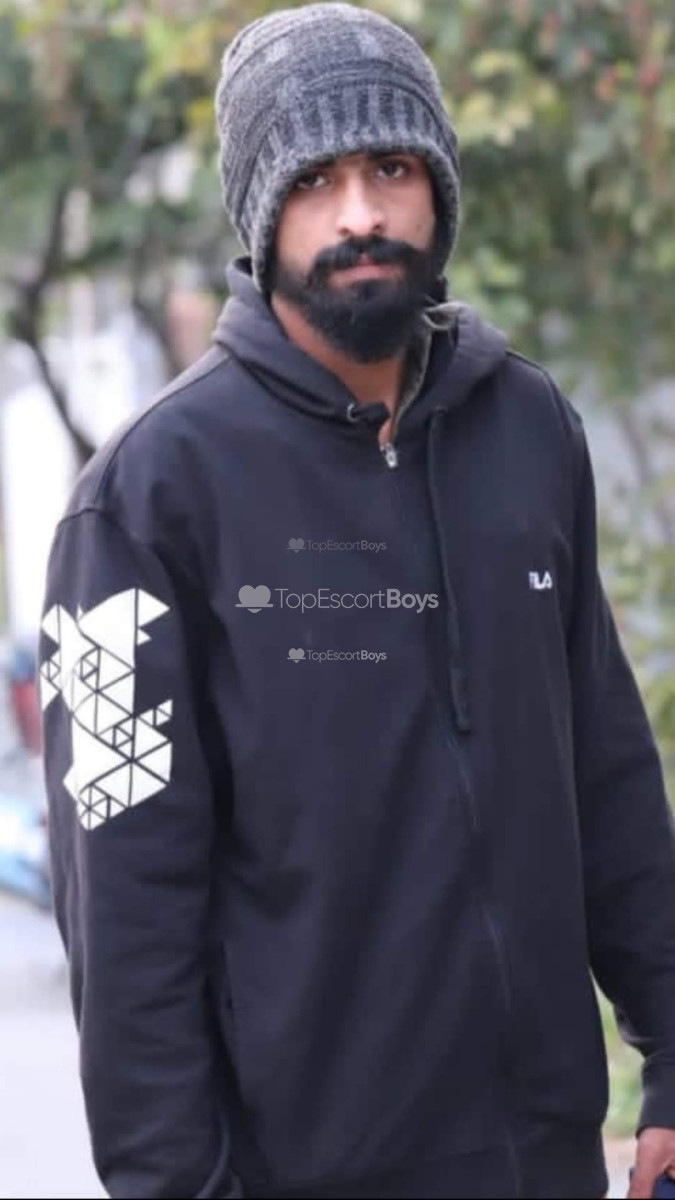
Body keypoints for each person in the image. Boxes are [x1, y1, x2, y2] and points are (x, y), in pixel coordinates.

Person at [38, 4, 675, 1198]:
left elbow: (606, 776)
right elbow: (126, 923)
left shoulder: (530, 429)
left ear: (438, 188)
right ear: (259, 210)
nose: (360, 215)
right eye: (314, 180)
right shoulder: (144, 501)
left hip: (544, 1166)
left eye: (391, 168)